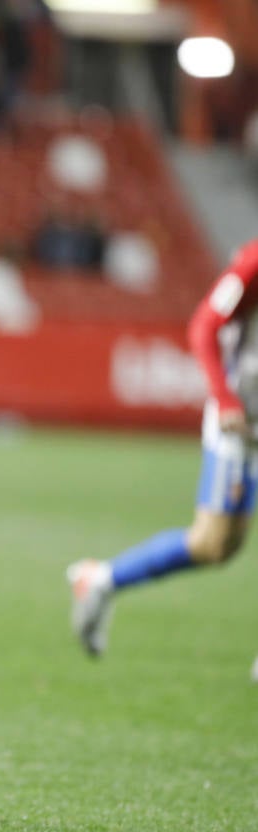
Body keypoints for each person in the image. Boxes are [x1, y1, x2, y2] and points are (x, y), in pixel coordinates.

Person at [69, 239, 258, 666]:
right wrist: (225, 399)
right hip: (245, 418)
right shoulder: (255, 262)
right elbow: (204, 327)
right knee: (215, 545)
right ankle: (101, 579)